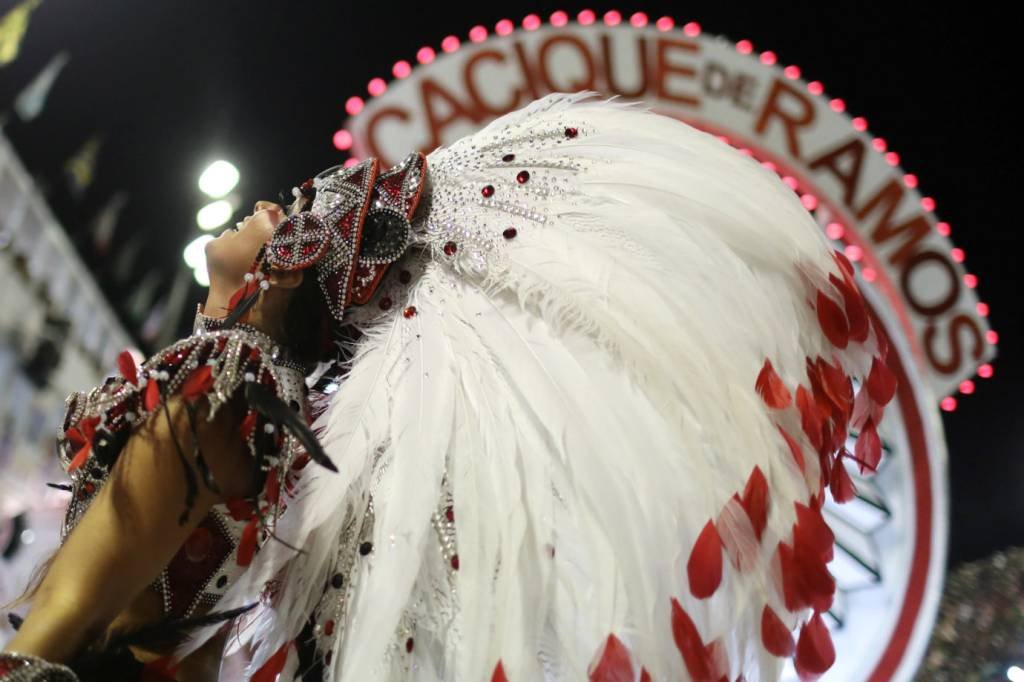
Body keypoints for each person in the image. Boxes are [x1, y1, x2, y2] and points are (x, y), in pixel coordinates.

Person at [1, 93, 896, 681]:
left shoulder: (223, 386)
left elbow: (65, 615)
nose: (264, 207)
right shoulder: (273, 429)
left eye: (297, 203)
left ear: (304, 257)